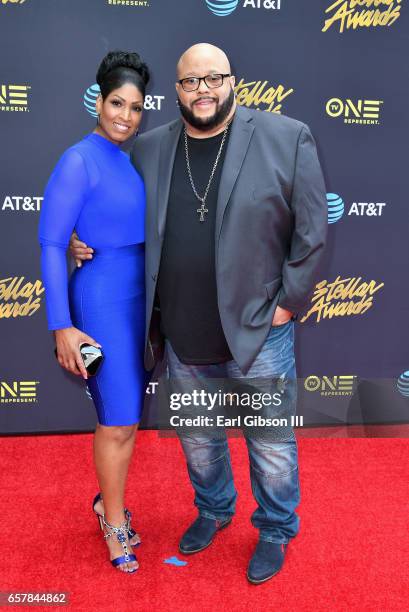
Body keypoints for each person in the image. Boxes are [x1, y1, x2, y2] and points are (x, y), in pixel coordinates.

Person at [71, 43, 327, 584]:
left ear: (234, 80)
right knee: (200, 442)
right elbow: (109, 203)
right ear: (178, 90)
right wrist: (79, 238)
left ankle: (276, 529)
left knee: (272, 446)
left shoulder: (285, 137)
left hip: (260, 332)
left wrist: (287, 304)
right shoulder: (150, 148)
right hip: (184, 332)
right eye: (190, 82)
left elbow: (312, 233)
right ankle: (213, 511)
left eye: (213, 78)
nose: (202, 90)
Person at [38, 50, 150, 574]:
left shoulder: (134, 157)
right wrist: (61, 325)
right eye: (116, 103)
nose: (125, 115)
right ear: (98, 101)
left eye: (135, 106)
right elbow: (50, 245)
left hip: (138, 301)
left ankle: (108, 502)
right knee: (116, 419)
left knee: (127, 420)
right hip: (98, 303)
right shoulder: (77, 160)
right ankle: (112, 520)